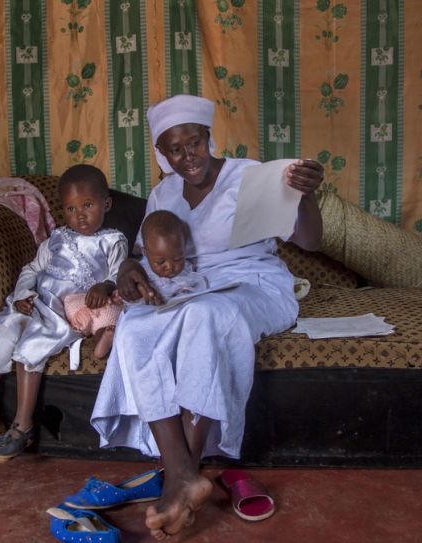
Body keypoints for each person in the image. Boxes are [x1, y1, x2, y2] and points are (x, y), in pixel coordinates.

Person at [90, 94, 324, 539]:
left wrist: (306, 195)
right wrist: (126, 270)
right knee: (136, 324)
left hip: (252, 285)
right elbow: (142, 253)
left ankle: (181, 477)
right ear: (162, 152)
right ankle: (183, 475)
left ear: (208, 138)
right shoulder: (163, 193)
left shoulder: (250, 177)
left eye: (194, 143)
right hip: (189, 289)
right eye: (174, 149)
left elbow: (310, 242)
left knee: (204, 316)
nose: (187, 157)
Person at [0, 164, 127, 463]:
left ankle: (22, 425)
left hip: (64, 312)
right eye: (71, 208)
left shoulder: (113, 240)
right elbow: (32, 269)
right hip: (37, 301)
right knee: (6, 328)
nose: (80, 214)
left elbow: (119, 273)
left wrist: (105, 284)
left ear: (106, 204)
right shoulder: (56, 239)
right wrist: (24, 294)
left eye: (87, 206)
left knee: (31, 347)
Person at [131, 209, 209, 305]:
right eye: (160, 262)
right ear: (146, 253)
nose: (169, 266)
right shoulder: (142, 271)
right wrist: (139, 288)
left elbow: (198, 290)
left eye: (178, 259)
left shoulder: (187, 272)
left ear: (184, 249)